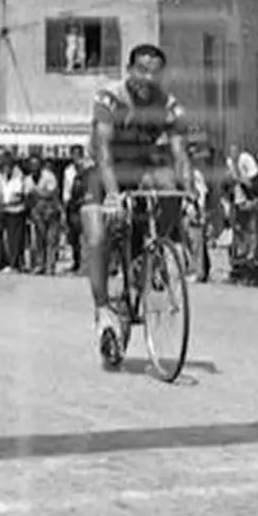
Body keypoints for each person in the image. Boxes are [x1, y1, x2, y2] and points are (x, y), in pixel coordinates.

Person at [81, 44, 192, 370]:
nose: (147, 77)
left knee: (173, 190)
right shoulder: (110, 98)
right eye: (141, 70)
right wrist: (113, 196)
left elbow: (179, 154)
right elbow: (102, 151)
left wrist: (189, 190)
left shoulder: (168, 106)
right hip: (104, 170)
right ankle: (102, 308)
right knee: (97, 235)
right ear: (129, 70)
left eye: (154, 72)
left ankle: (153, 252)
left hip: (141, 168)